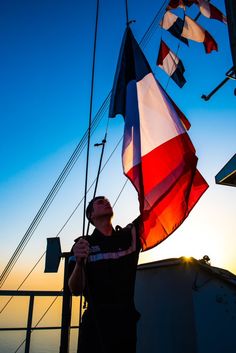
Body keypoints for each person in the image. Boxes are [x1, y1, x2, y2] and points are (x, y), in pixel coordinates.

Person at [68, 196, 141, 353]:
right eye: (100, 202)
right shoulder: (82, 245)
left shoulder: (128, 237)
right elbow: (75, 289)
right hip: (95, 325)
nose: (106, 202)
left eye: (107, 200)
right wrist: (80, 263)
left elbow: (151, 213)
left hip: (125, 324)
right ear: (91, 215)